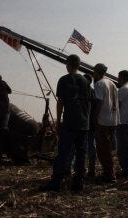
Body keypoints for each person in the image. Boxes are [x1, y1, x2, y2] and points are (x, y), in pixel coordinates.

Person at [40, 54, 91, 192]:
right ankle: (78, 183)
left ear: (68, 64)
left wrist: (57, 121)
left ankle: (56, 182)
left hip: (70, 123)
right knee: (81, 154)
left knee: (63, 153)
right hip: (84, 123)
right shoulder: (86, 81)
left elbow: (60, 102)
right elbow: (89, 102)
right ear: (79, 65)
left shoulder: (64, 80)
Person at [92, 63, 119, 183]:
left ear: (96, 71)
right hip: (113, 121)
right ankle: (109, 173)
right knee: (107, 149)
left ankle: (109, 175)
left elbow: (98, 102)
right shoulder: (111, 83)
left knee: (102, 150)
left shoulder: (99, 84)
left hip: (103, 120)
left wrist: (94, 118)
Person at [116, 70, 128, 177]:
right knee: (126, 147)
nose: (117, 79)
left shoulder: (122, 90)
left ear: (122, 77)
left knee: (122, 147)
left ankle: (126, 169)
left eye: (119, 77)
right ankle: (127, 169)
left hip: (122, 121)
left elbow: (118, 106)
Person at [83, 73, 97, 177]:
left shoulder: (80, 91)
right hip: (91, 124)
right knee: (91, 146)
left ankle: (82, 168)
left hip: (83, 124)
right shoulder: (93, 92)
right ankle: (91, 168)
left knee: (81, 147)